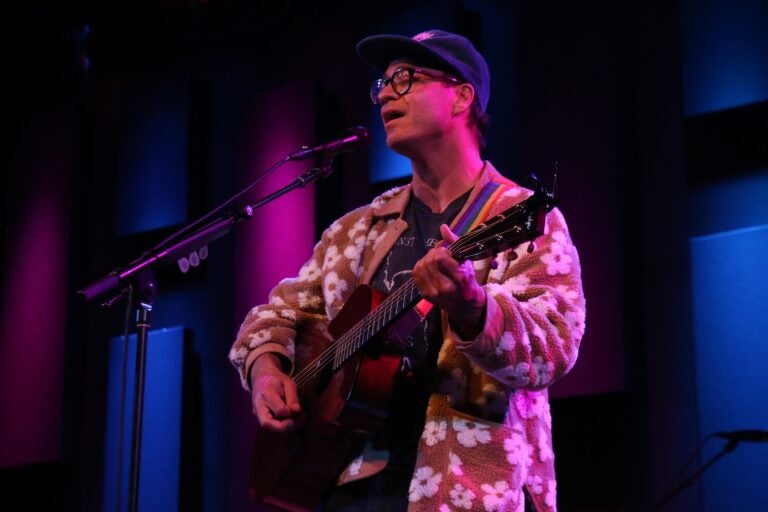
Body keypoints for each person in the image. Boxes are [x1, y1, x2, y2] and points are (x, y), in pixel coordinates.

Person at [229, 28, 586, 512]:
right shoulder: (356, 231)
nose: (384, 96)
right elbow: (272, 316)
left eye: (405, 79)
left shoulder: (524, 218)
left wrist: (473, 308)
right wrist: (267, 371)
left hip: (468, 491)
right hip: (348, 488)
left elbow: (552, 349)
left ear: (462, 97)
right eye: (381, 84)